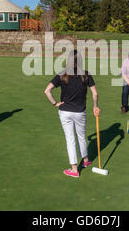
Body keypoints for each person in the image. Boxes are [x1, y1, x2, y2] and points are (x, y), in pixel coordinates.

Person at [44, 50, 100, 178]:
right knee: (81, 136)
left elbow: (47, 91)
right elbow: (95, 93)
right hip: (80, 112)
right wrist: (95, 106)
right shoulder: (86, 75)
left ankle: (74, 169)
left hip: (65, 112)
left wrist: (55, 103)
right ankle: (85, 161)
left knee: (70, 139)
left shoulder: (62, 74)